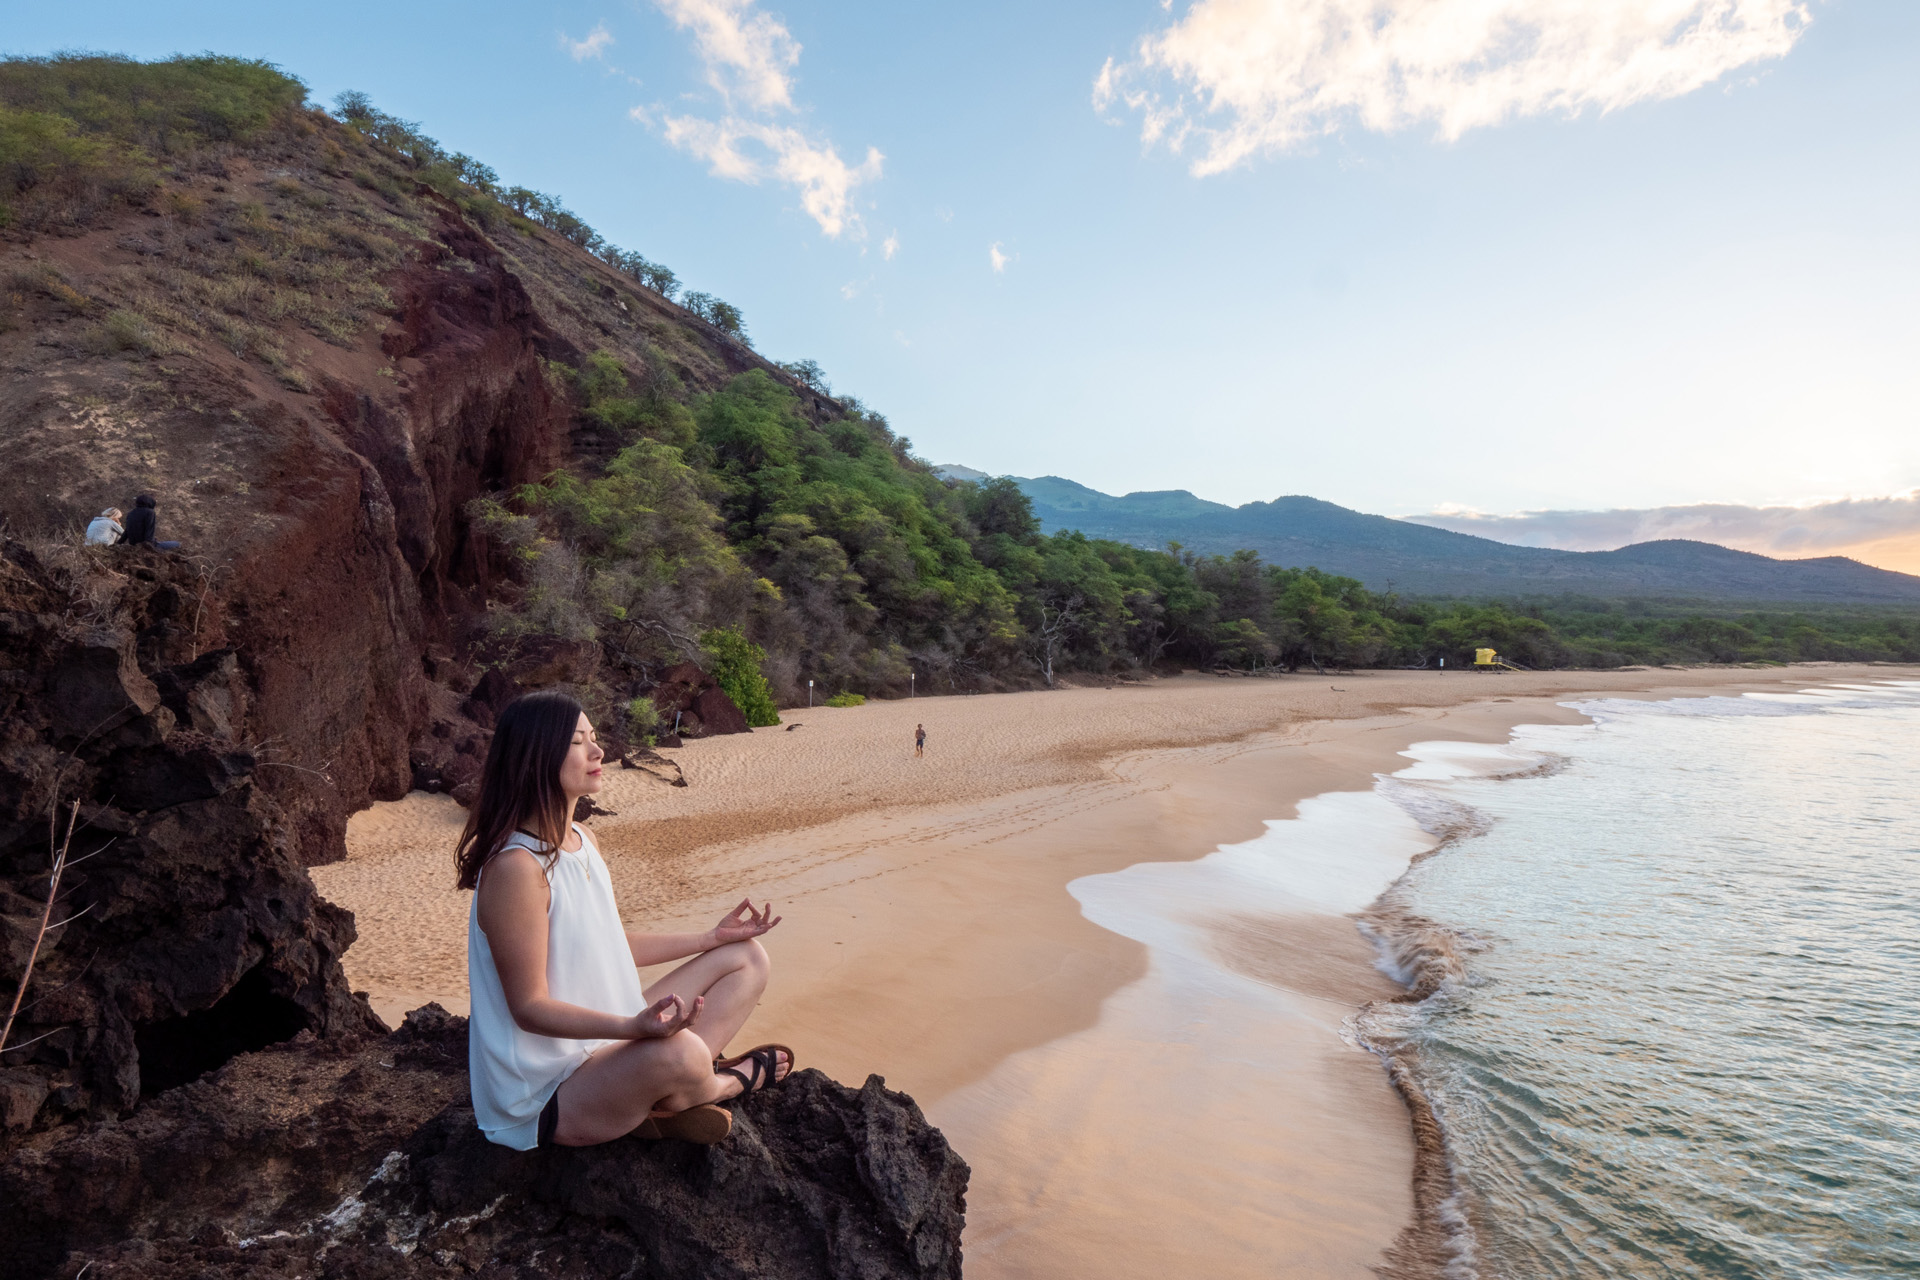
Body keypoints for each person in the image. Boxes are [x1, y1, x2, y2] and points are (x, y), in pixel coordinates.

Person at [457, 691, 792, 1149]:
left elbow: (608, 943)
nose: (598, 752)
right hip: (546, 1096)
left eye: (594, 738)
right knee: (683, 1051)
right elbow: (529, 1008)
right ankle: (722, 1085)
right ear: (536, 756)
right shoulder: (516, 868)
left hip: (603, 1046)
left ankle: (661, 1092)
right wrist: (634, 1029)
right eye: (578, 742)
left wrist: (712, 938)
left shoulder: (582, 838)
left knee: (745, 958)